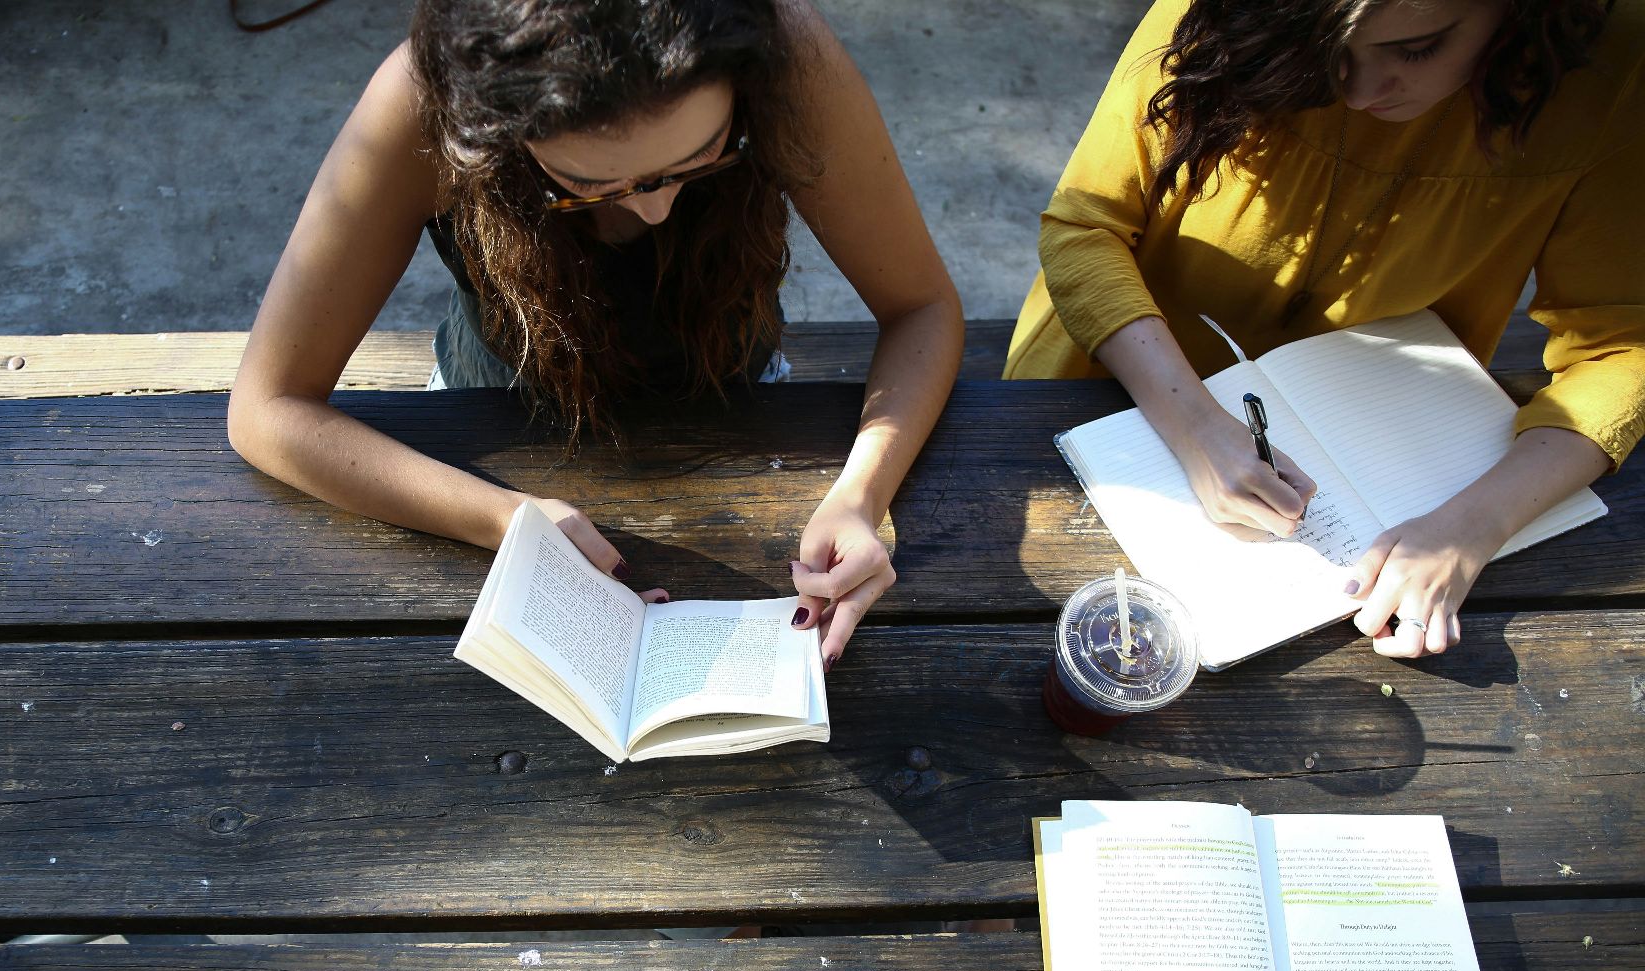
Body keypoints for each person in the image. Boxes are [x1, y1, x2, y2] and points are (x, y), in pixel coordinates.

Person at [228, 0, 963, 667]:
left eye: (703, 156)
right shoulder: (424, 102)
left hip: (739, 399)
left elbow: (921, 307)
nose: (656, 211)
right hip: (490, 418)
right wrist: (508, 520)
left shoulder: (787, 53)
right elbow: (268, 408)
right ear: (493, 131)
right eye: (589, 186)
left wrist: (862, 496)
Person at [1007, 0, 1643, 658]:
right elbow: (1087, 228)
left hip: (1395, 455)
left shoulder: (1612, 68)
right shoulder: (1225, 13)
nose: (1361, 90)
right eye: (1330, 50)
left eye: (1417, 48)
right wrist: (1194, 425)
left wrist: (1472, 527)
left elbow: (1625, 348)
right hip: (1106, 382)